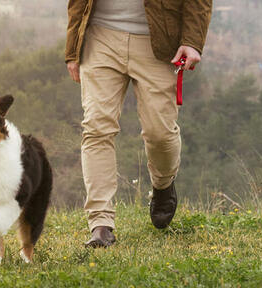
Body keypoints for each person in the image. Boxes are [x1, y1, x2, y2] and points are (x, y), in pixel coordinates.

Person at [65, 0, 212, 248]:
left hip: (159, 41)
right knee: (96, 128)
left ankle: (163, 184)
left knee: (160, 133)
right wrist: (73, 50)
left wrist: (192, 41)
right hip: (100, 37)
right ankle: (100, 224)